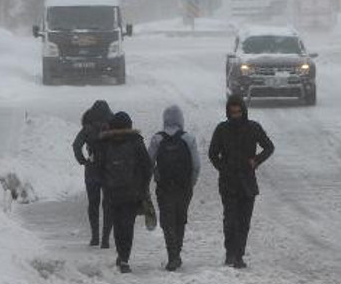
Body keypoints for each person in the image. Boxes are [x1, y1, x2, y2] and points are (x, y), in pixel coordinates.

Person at [209, 95, 274, 269]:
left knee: (244, 221)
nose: (236, 115)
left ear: (243, 111)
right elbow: (213, 154)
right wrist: (224, 168)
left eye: (238, 112)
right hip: (228, 182)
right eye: (233, 112)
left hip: (247, 182)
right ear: (228, 112)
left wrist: (256, 160)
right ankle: (230, 252)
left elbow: (269, 147)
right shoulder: (222, 130)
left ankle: (239, 255)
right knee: (230, 220)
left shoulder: (253, 128)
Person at [95, 112, 153, 274]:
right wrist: (142, 187)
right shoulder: (136, 141)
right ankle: (124, 258)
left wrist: (105, 184)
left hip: (112, 193)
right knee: (128, 225)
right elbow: (147, 167)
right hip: (132, 193)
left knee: (118, 225)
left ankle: (121, 254)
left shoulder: (105, 142)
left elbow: (98, 168)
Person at [149, 105, 201, 272]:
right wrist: (191, 183)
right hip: (183, 186)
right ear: (181, 120)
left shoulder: (157, 139)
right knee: (180, 219)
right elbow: (196, 165)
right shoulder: (188, 138)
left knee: (167, 220)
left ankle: (173, 255)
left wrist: (155, 174)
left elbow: (148, 162)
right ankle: (176, 252)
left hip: (164, 186)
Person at [72, 100, 114, 248]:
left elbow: (76, 145)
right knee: (108, 204)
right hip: (109, 169)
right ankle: (105, 239)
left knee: (93, 204)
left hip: (92, 168)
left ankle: (95, 236)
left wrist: (83, 161)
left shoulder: (87, 128)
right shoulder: (112, 127)